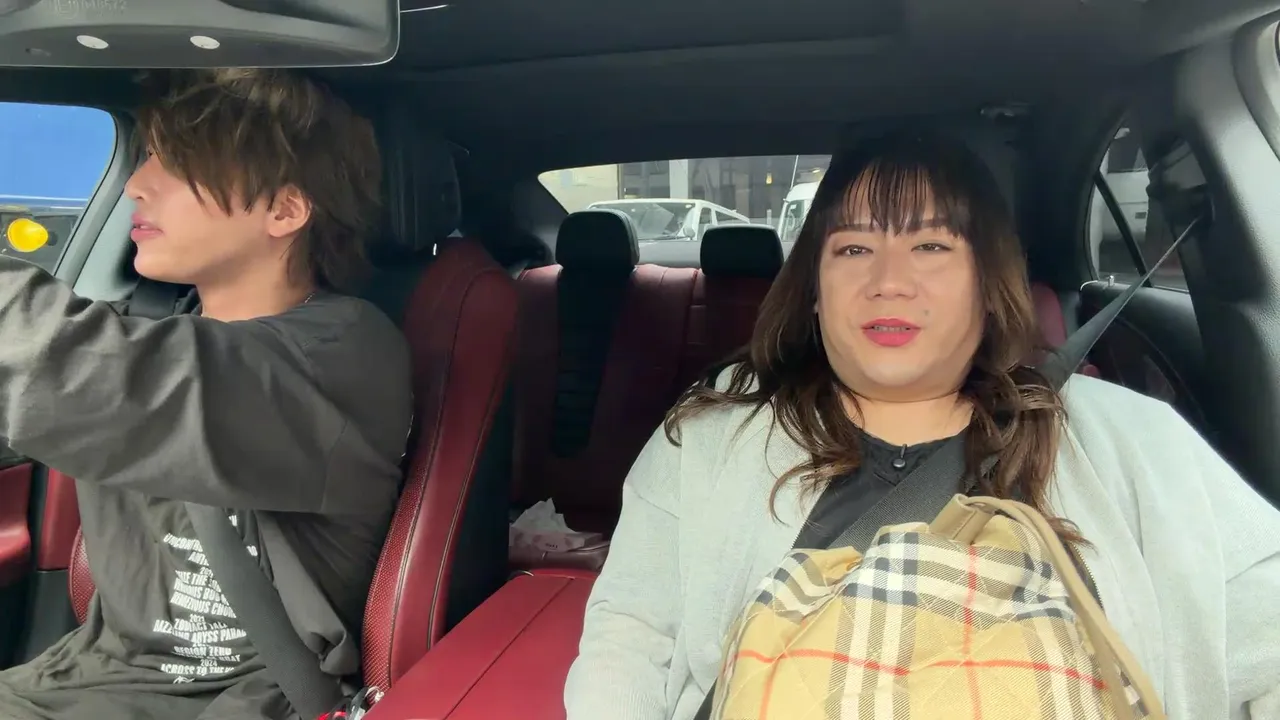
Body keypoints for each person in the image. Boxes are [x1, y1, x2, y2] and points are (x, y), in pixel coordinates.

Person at [564, 131, 1280, 720]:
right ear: (814, 291)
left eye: (931, 246)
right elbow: (631, 635)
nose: (889, 281)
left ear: (987, 284)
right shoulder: (714, 434)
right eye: (853, 249)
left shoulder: (1135, 443)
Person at [0, 69, 412, 720]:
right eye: (145, 157)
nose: (136, 184)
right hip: (83, 676)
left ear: (285, 210)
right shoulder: (162, 334)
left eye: (179, 164)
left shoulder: (344, 356)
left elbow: (74, 371)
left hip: (238, 701)